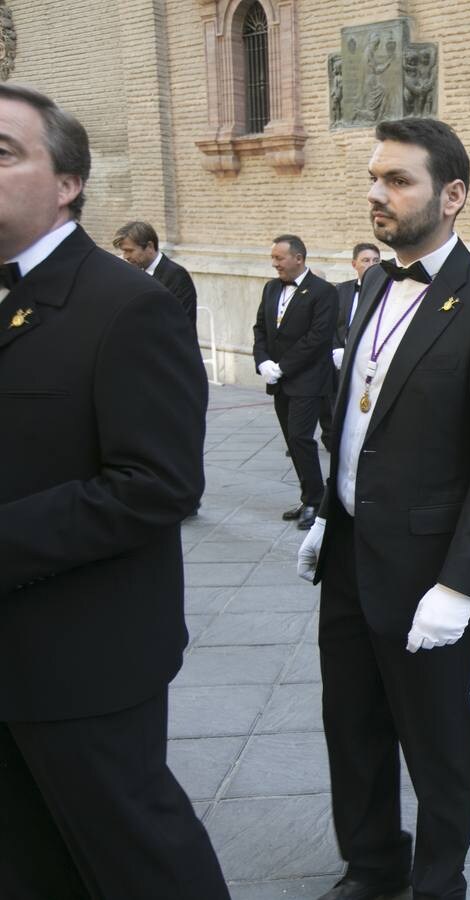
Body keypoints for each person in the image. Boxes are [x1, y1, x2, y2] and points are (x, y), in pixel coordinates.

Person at [296, 116, 470, 900]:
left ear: (453, 195)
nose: (378, 194)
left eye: (397, 180)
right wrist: (330, 517)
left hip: (430, 576)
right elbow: (357, 419)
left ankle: (439, 882)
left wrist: (460, 586)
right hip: (350, 557)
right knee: (353, 730)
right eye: (375, 178)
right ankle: (372, 865)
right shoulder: (370, 282)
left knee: (435, 745)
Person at [0, 83, 228, 900]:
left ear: (68, 183)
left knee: (141, 862)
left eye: (2, 152)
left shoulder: (127, 305)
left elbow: (157, 484)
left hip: (82, 660)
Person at [252, 233, 338, 529]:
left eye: (279, 258)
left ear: (298, 258)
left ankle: (316, 501)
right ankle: (309, 495)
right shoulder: (270, 288)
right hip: (279, 378)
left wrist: (283, 366)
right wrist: (262, 360)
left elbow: (318, 337)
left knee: (301, 438)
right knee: (292, 439)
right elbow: (260, 327)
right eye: (273, 258)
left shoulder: (323, 291)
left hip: (308, 379)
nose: (274, 264)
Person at [112, 220, 198, 323]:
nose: (126, 256)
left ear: (149, 246)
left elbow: (181, 323)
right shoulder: (133, 274)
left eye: (130, 251)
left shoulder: (177, 275)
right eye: (124, 251)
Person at [332, 241, 382, 370]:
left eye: (376, 260)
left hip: (372, 362)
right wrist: (335, 349)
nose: (372, 265)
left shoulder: (387, 291)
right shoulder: (341, 290)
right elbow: (330, 324)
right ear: (354, 264)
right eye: (366, 260)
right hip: (339, 361)